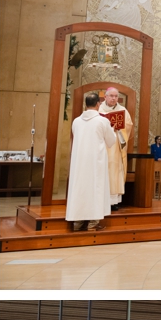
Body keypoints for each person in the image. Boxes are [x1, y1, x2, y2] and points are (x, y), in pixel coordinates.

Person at [64, 93, 114, 229]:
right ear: (98, 104)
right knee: (95, 189)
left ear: (86, 104)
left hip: (79, 162)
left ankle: (77, 222)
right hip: (95, 162)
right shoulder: (103, 121)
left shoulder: (76, 121)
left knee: (80, 189)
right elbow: (111, 141)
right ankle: (93, 223)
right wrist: (112, 130)